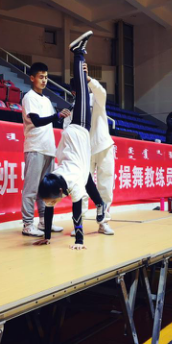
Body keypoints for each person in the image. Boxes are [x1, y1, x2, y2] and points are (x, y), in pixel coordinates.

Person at [36, 30, 106, 250]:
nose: (49, 205)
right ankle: (79, 54)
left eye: (50, 201)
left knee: (83, 92)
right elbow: (50, 209)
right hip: (69, 142)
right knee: (88, 180)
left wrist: (79, 241)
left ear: (59, 192)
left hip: (77, 133)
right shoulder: (54, 181)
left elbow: (77, 214)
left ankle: (78, 53)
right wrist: (47, 237)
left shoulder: (72, 185)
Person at [21, 62, 71, 237]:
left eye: (46, 77)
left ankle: (43, 221)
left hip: (49, 149)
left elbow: (53, 120)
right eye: (41, 77)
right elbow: (36, 121)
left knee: (45, 188)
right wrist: (56, 115)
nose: (44, 80)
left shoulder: (47, 100)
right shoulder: (29, 98)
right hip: (35, 147)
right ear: (32, 78)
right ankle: (28, 224)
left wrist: (64, 115)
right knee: (31, 188)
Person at [65, 65, 115, 235]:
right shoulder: (71, 112)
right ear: (74, 92)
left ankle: (103, 223)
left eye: (85, 86)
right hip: (84, 154)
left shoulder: (96, 98)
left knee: (105, 187)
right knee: (82, 188)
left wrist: (89, 79)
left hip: (104, 147)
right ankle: (79, 224)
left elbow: (101, 92)